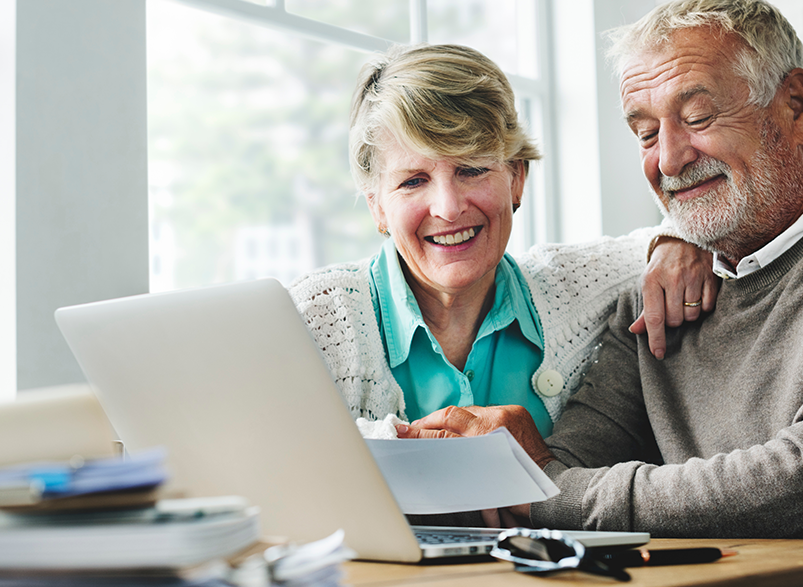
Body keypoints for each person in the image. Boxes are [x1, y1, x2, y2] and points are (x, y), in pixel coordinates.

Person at [400, 0, 803, 585]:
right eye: (646, 133)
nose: (669, 160)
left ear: (796, 108)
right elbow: (563, 469)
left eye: (698, 118)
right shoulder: (652, 301)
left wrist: (544, 490)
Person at [288, 43, 715, 437]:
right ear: (377, 207)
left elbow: (685, 231)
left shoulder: (577, 289)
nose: (449, 208)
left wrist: (677, 242)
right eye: (413, 181)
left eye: (471, 170)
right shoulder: (314, 318)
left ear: (516, 179)